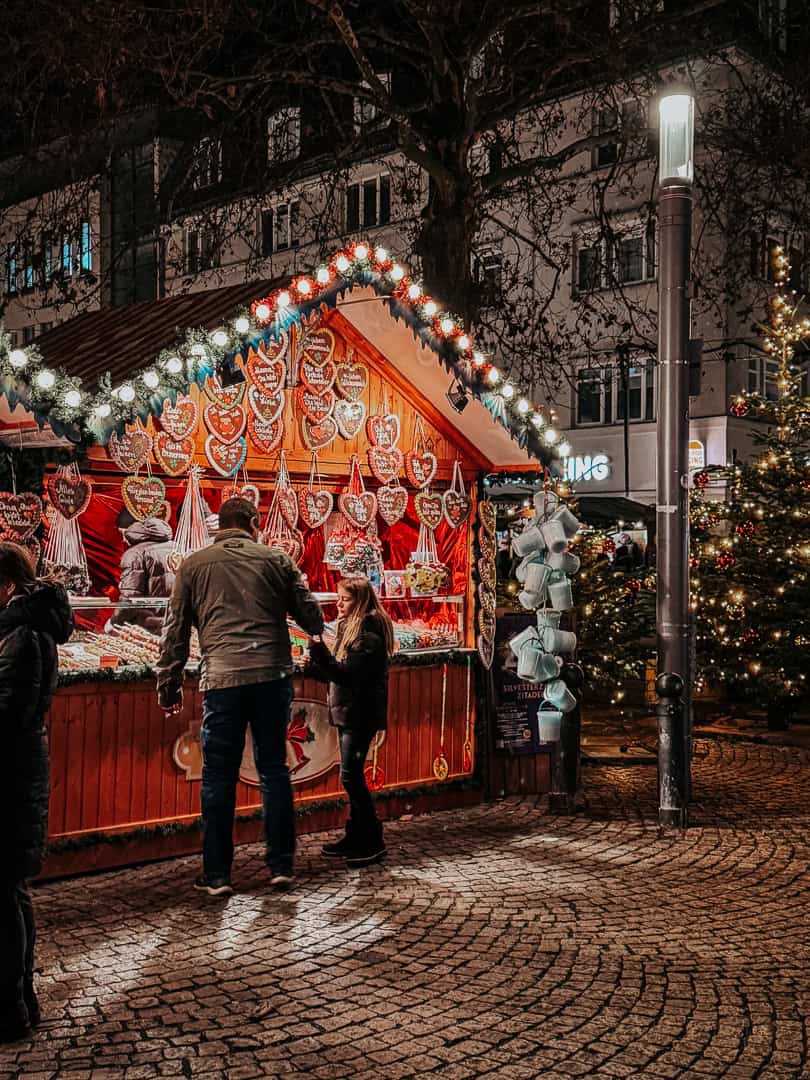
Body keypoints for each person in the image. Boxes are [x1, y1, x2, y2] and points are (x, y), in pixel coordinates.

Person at [156, 497, 324, 896]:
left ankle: (217, 875)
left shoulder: (194, 565)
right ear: (253, 522)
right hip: (271, 676)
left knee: (218, 776)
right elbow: (312, 617)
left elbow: (175, 630)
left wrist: (169, 685)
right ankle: (281, 866)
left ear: (220, 525)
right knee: (274, 769)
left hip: (222, 680)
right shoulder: (276, 559)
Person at [0, 543, 74, 1044]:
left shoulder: (23, 637)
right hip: (17, 774)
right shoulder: (23, 631)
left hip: (10, 778)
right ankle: (20, 1001)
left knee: (5, 896)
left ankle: (11, 1010)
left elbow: (8, 715)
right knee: (11, 893)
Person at [306, 576, 393, 868]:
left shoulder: (368, 634)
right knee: (351, 775)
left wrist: (318, 653)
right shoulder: (349, 628)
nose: (338, 604)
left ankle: (372, 838)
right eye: (338, 598)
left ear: (360, 601)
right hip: (348, 709)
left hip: (361, 713)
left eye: (345, 599)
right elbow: (339, 672)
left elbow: (349, 675)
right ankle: (355, 835)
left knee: (351, 776)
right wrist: (317, 667)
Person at [113, 509, 176, 633]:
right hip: (176, 622)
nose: (123, 539)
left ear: (132, 529)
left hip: (149, 626)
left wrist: (115, 622)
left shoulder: (134, 554)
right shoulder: (177, 546)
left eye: (123, 533)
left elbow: (130, 596)